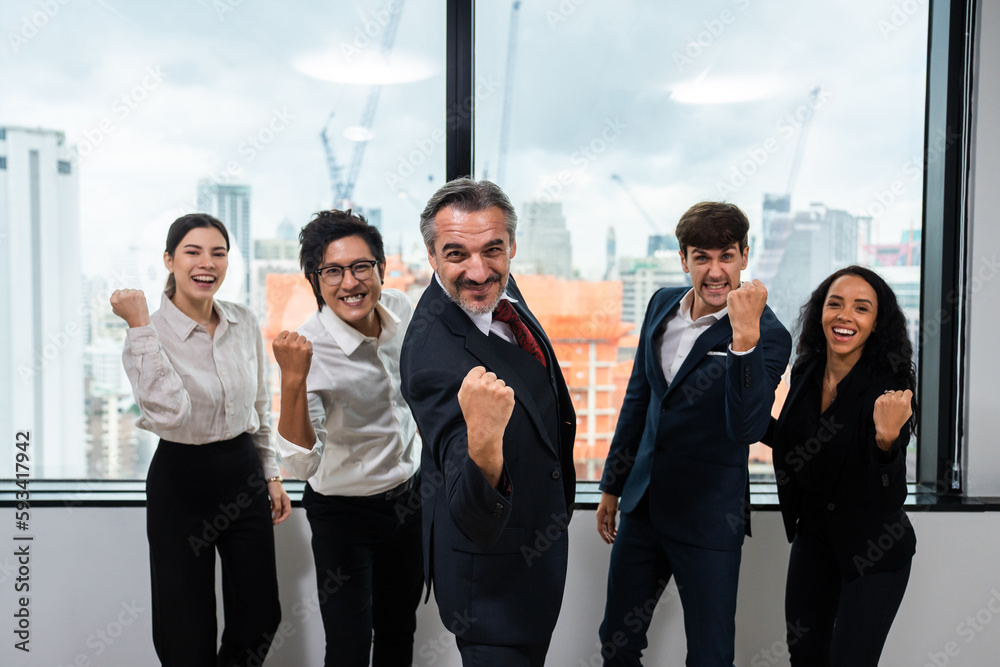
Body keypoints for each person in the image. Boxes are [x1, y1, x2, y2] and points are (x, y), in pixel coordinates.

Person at [596, 201, 792, 666]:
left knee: (709, 653)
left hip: (708, 516)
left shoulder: (770, 334)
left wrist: (744, 340)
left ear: (745, 254)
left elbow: (745, 427)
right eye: (701, 256)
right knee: (617, 641)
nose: (715, 270)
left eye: (726, 255)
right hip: (642, 506)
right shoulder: (661, 303)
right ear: (684, 259)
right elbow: (640, 399)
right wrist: (612, 483)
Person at [400, 178, 577, 665]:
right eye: (456, 254)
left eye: (492, 250)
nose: (478, 271)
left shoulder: (498, 287)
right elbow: (471, 511)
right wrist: (482, 437)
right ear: (431, 256)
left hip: (531, 556)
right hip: (491, 583)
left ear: (511, 246)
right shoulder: (433, 359)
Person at [111, 213, 290, 667]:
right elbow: (171, 413)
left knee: (260, 616)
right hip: (181, 481)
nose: (206, 262)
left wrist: (271, 476)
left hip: (242, 472)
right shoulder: (145, 334)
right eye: (192, 252)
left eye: (218, 253)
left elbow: (260, 407)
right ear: (170, 260)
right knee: (184, 632)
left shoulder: (244, 321)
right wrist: (138, 326)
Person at [271, 210, 423, 666]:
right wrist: (293, 380)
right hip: (343, 514)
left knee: (400, 628)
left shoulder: (399, 308)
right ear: (315, 281)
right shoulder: (308, 348)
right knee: (349, 643)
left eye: (361, 266)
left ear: (381, 268)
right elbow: (299, 467)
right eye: (332, 271)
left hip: (408, 501)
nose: (350, 282)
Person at [763, 265, 916, 666]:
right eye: (836, 304)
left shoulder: (891, 386)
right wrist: (740, 410)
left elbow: (889, 497)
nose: (845, 315)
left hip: (873, 551)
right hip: (814, 542)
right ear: (821, 314)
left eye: (861, 308)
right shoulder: (807, 370)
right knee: (804, 656)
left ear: (876, 323)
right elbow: (795, 442)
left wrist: (885, 443)